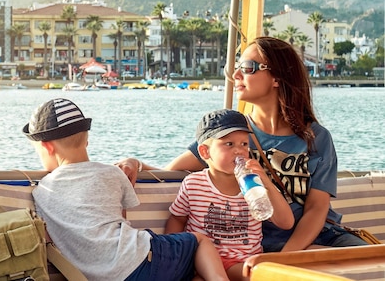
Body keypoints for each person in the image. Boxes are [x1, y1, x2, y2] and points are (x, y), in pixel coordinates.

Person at [117, 36, 368, 252]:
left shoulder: (315, 137)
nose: (235, 75)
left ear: (277, 78)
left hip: (320, 237)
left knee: (371, 263)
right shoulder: (229, 135)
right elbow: (170, 172)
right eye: (236, 67)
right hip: (257, 244)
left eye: (248, 67)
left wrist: (286, 259)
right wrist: (135, 164)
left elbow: (316, 209)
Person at [24, 98, 229, 281]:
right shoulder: (113, 173)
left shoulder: (40, 193)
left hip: (100, 276)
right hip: (143, 259)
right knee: (200, 242)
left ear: (47, 147)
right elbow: (122, 220)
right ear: (87, 140)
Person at [165, 109, 294, 280]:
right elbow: (177, 218)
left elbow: (286, 222)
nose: (239, 151)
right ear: (205, 152)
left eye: (244, 144)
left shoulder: (254, 185)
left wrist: (266, 182)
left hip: (245, 263)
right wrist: (171, 257)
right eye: (229, 144)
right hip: (203, 261)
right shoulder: (193, 184)